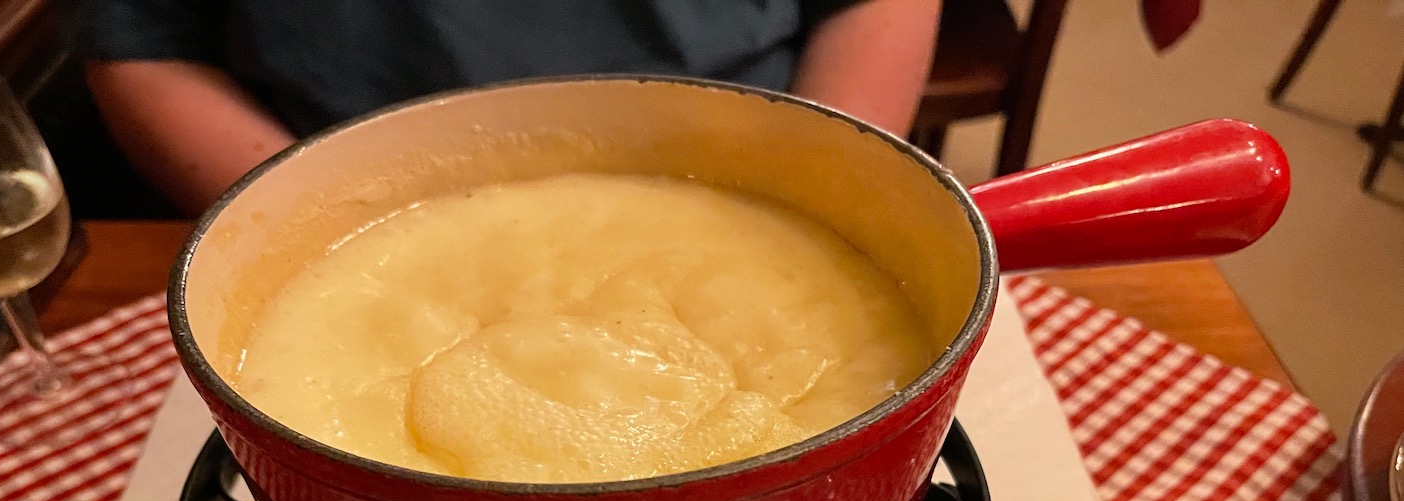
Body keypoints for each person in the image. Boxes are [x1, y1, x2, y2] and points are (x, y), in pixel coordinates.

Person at [73, 0, 941, 217]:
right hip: (340, 190)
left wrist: (814, 187)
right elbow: (141, 38)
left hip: (755, 173)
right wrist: (327, 221)